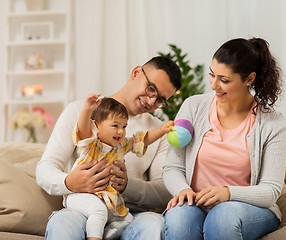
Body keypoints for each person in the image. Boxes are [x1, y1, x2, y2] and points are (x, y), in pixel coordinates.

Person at [36, 56, 182, 240]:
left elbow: (164, 191)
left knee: (154, 224)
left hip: (128, 214)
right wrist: (69, 182)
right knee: (62, 223)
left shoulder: (158, 131)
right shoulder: (81, 112)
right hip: (83, 207)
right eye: (151, 88)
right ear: (136, 73)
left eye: (160, 99)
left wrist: (127, 186)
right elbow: (45, 169)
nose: (151, 101)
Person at [163, 38, 286, 240]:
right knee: (179, 217)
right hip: (195, 204)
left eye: (224, 80)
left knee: (223, 216)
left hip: (244, 209)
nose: (214, 85)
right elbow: (173, 167)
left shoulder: (272, 123)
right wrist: (183, 189)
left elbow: (271, 190)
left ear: (249, 79)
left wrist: (228, 193)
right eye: (212, 75)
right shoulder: (193, 107)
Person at [66, 94, 173, 240]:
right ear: (97, 126)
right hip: (81, 196)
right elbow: (83, 130)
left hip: (106, 197)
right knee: (99, 211)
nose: (121, 132)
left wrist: (162, 130)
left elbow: (142, 140)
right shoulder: (91, 144)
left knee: (127, 219)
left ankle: (106, 235)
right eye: (115, 126)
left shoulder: (121, 145)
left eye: (124, 127)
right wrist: (86, 110)